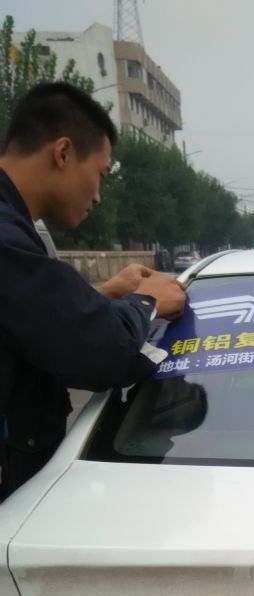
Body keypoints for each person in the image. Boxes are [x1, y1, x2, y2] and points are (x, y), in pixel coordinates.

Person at [0, 82, 185, 500]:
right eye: (100, 174)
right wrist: (149, 302)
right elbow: (102, 350)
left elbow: (36, 325)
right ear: (64, 153)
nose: (99, 196)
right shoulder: (7, 239)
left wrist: (106, 294)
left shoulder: (15, 233)